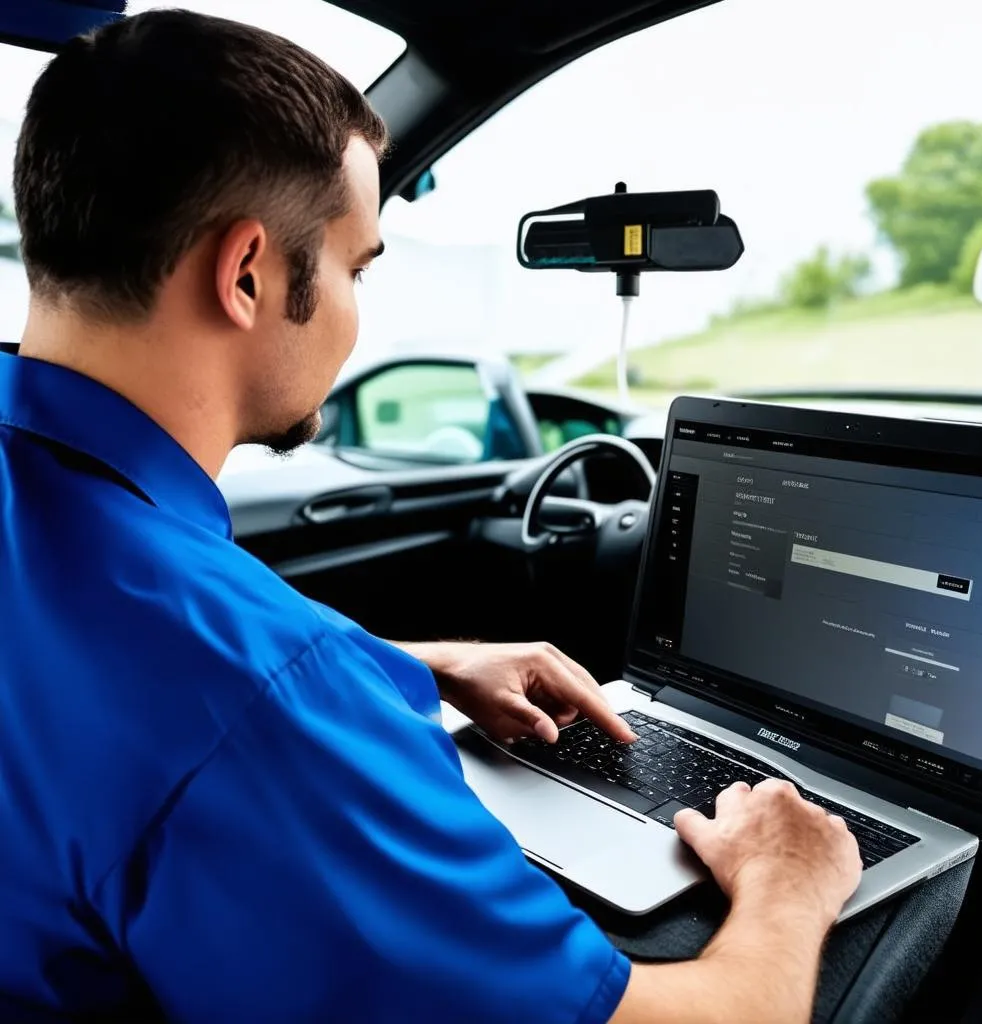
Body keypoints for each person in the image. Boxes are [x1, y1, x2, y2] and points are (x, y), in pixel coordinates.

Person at [0, 9, 860, 1022]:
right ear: (246, 275)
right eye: (358, 266)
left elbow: (105, 685)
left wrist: (398, 664)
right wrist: (787, 881)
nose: (363, 309)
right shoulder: (265, 708)